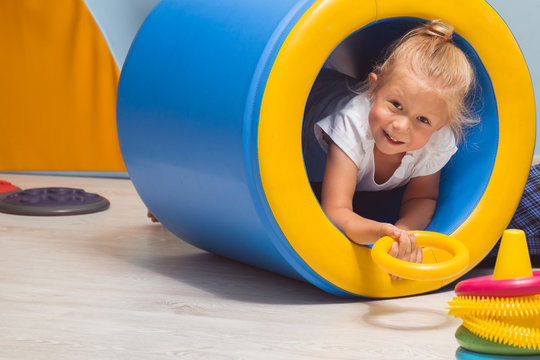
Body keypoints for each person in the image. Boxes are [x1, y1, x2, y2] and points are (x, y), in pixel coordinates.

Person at [306, 20, 477, 273]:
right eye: (396, 104)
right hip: (308, 99)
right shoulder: (351, 125)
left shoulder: (436, 142)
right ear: (374, 86)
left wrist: (404, 234)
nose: (401, 126)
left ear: (441, 125)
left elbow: (422, 197)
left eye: (423, 120)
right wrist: (378, 232)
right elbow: (335, 210)